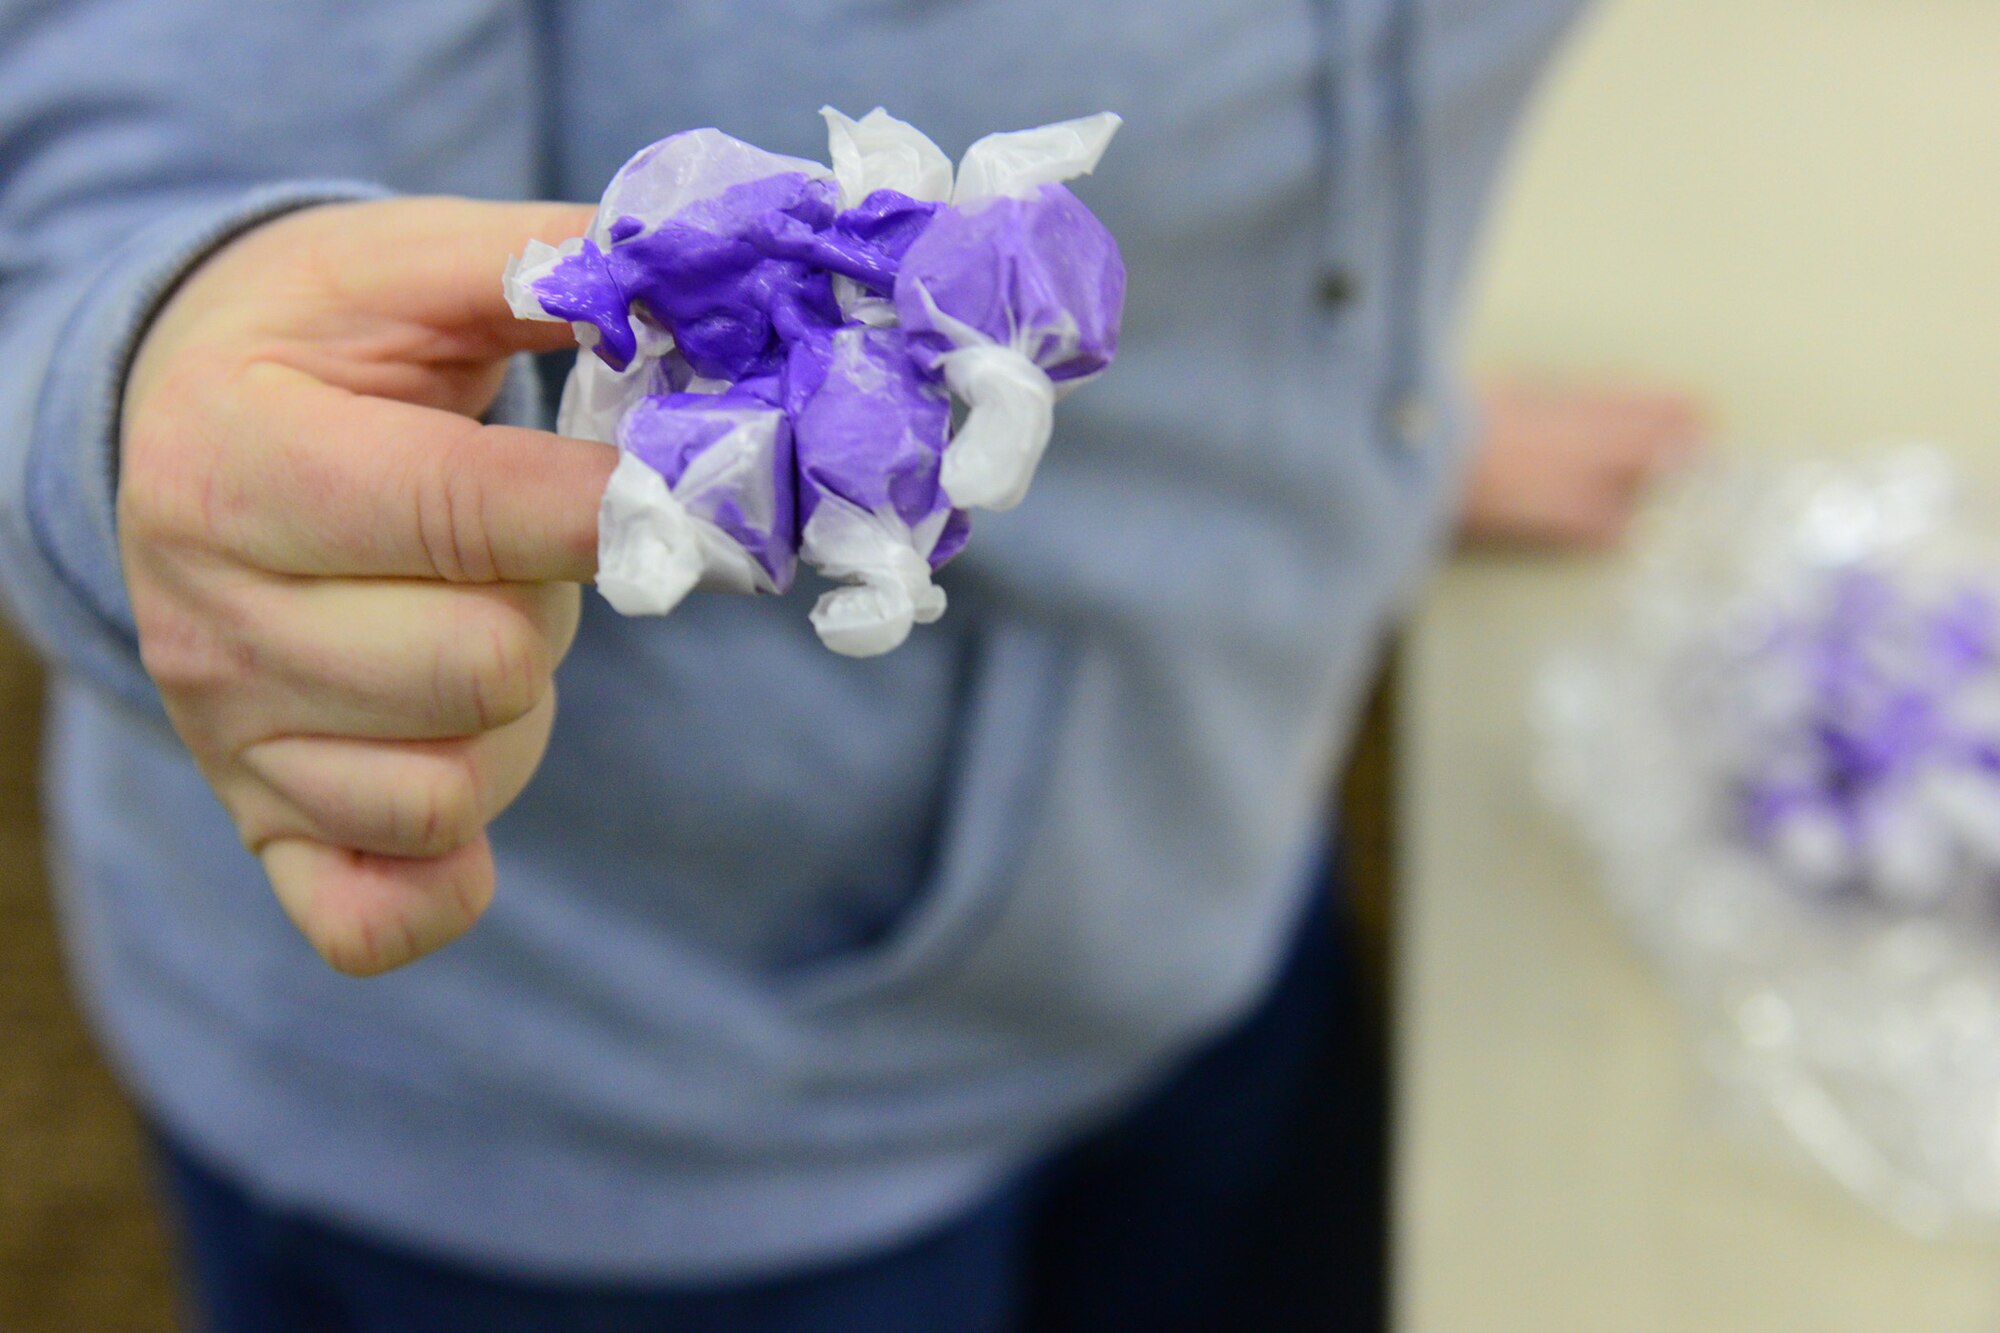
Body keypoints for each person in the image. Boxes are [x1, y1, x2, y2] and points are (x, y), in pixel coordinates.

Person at [0, 2, 1673, 1328]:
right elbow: (153, 170)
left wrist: (1352, 412)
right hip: (622, 1098)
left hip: (1191, 852)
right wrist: (165, 414)